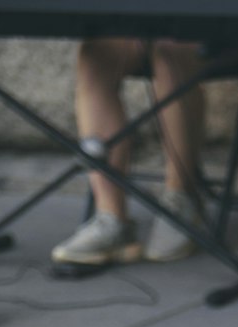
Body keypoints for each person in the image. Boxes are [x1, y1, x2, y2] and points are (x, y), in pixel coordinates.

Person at [52, 38, 205, 267]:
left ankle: (181, 200)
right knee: (97, 52)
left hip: (221, 33)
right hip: (145, 33)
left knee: (170, 49)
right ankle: (111, 219)